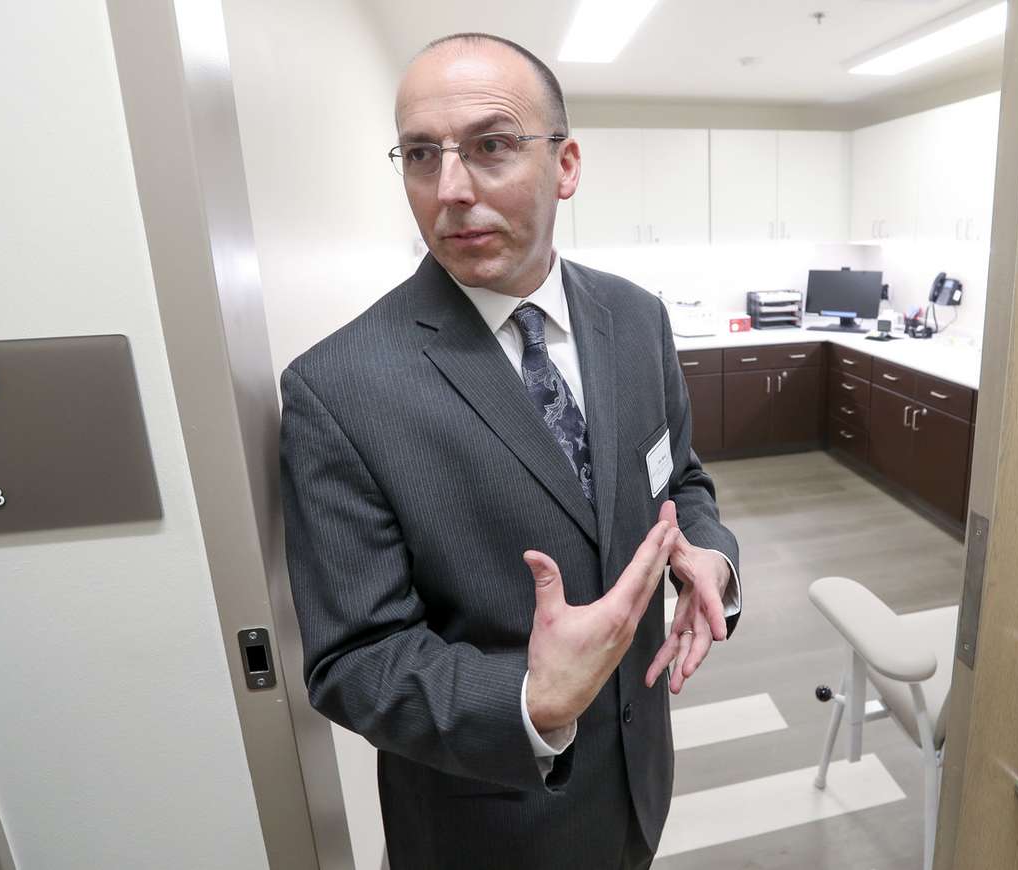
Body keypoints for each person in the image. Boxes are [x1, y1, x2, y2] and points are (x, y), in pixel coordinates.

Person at [279, 32, 741, 869]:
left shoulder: (637, 319)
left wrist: (708, 554)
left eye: (490, 146)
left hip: (638, 780)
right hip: (488, 825)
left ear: (565, 166)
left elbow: (680, 477)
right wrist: (530, 701)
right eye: (422, 155)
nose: (450, 189)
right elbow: (354, 659)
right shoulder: (339, 388)